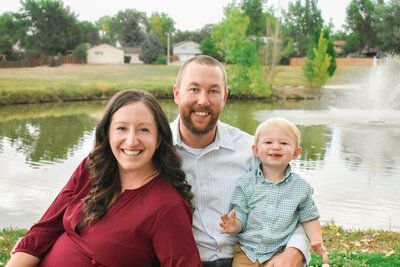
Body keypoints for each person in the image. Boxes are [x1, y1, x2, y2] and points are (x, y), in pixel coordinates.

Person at [6, 89, 201, 267]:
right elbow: (47, 228)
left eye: (144, 130)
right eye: (121, 128)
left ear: (158, 139)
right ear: (107, 133)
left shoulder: (167, 206)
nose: (132, 141)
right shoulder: (92, 168)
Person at [171, 55, 310, 267]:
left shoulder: (251, 150)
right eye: (194, 89)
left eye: (213, 91)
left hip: (245, 259)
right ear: (177, 94)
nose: (203, 100)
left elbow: (295, 204)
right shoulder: (154, 148)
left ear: (225, 97)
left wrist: (295, 251)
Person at [220, 117, 329, 266]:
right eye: (268, 142)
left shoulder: (300, 187)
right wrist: (234, 225)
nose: (276, 147)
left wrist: (316, 240)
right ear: (256, 150)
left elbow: (309, 217)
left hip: (280, 253)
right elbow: (241, 212)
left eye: (283, 143)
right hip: (247, 253)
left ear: (296, 153)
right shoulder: (245, 183)